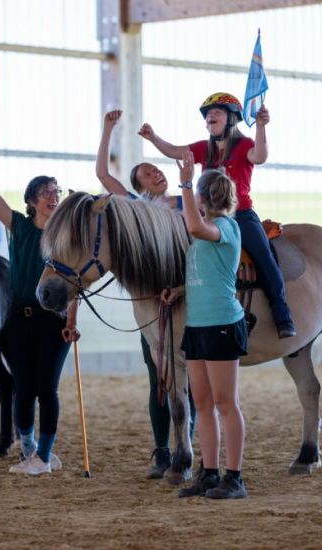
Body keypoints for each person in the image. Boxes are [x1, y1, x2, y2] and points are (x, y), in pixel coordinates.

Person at [0, 122, 79, 476]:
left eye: (55, 191)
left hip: (53, 320)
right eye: (46, 192)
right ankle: (30, 449)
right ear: (31, 201)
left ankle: (44, 456)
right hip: (16, 319)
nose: (53, 196)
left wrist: (71, 321)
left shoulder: (66, 238)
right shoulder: (19, 227)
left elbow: (75, 284)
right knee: (23, 388)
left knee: (47, 389)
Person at [139, 93, 296, 338]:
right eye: (208, 114)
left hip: (241, 215)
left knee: (264, 258)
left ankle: (282, 315)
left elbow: (260, 156)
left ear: (232, 118)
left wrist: (261, 127)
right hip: (209, 217)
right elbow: (174, 151)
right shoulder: (204, 148)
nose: (210, 116)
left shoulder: (244, 145)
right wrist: (153, 138)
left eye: (217, 112)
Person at [96, 109, 196, 479]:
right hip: (152, 310)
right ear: (138, 188)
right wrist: (108, 130)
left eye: (157, 170)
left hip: (185, 300)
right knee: (160, 382)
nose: (157, 174)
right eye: (148, 174)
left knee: (191, 379)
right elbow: (103, 175)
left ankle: (185, 447)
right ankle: (162, 450)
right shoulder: (136, 207)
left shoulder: (187, 203)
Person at [173, 152, 248, 499]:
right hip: (198, 325)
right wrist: (179, 290)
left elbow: (193, 226)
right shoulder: (208, 230)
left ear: (203, 198)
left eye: (196, 194)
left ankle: (235, 477)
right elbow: (208, 272)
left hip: (221, 324)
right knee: (202, 404)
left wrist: (185, 184)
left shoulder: (227, 227)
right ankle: (210, 473)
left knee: (225, 403)